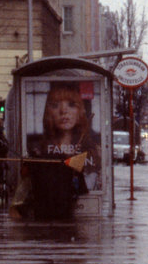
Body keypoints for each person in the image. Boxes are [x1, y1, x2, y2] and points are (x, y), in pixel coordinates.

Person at [25, 82, 101, 218]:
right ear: (48, 112)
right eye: (55, 105)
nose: (63, 111)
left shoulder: (91, 150)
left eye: (71, 105)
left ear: (80, 111)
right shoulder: (37, 148)